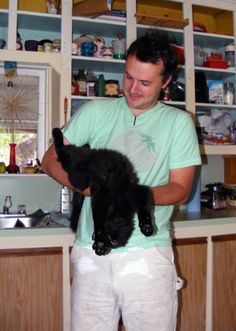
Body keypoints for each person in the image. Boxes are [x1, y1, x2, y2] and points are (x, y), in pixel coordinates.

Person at [42, 30, 201, 331]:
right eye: (128, 77)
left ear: (166, 82)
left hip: (148, 255)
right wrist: (85, 187)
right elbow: (50, 159)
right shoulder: (94, 112)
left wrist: (129, 195)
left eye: (145, 82)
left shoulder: (179, 124)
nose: (132, 88)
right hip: (91, 254)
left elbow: (181, 190)